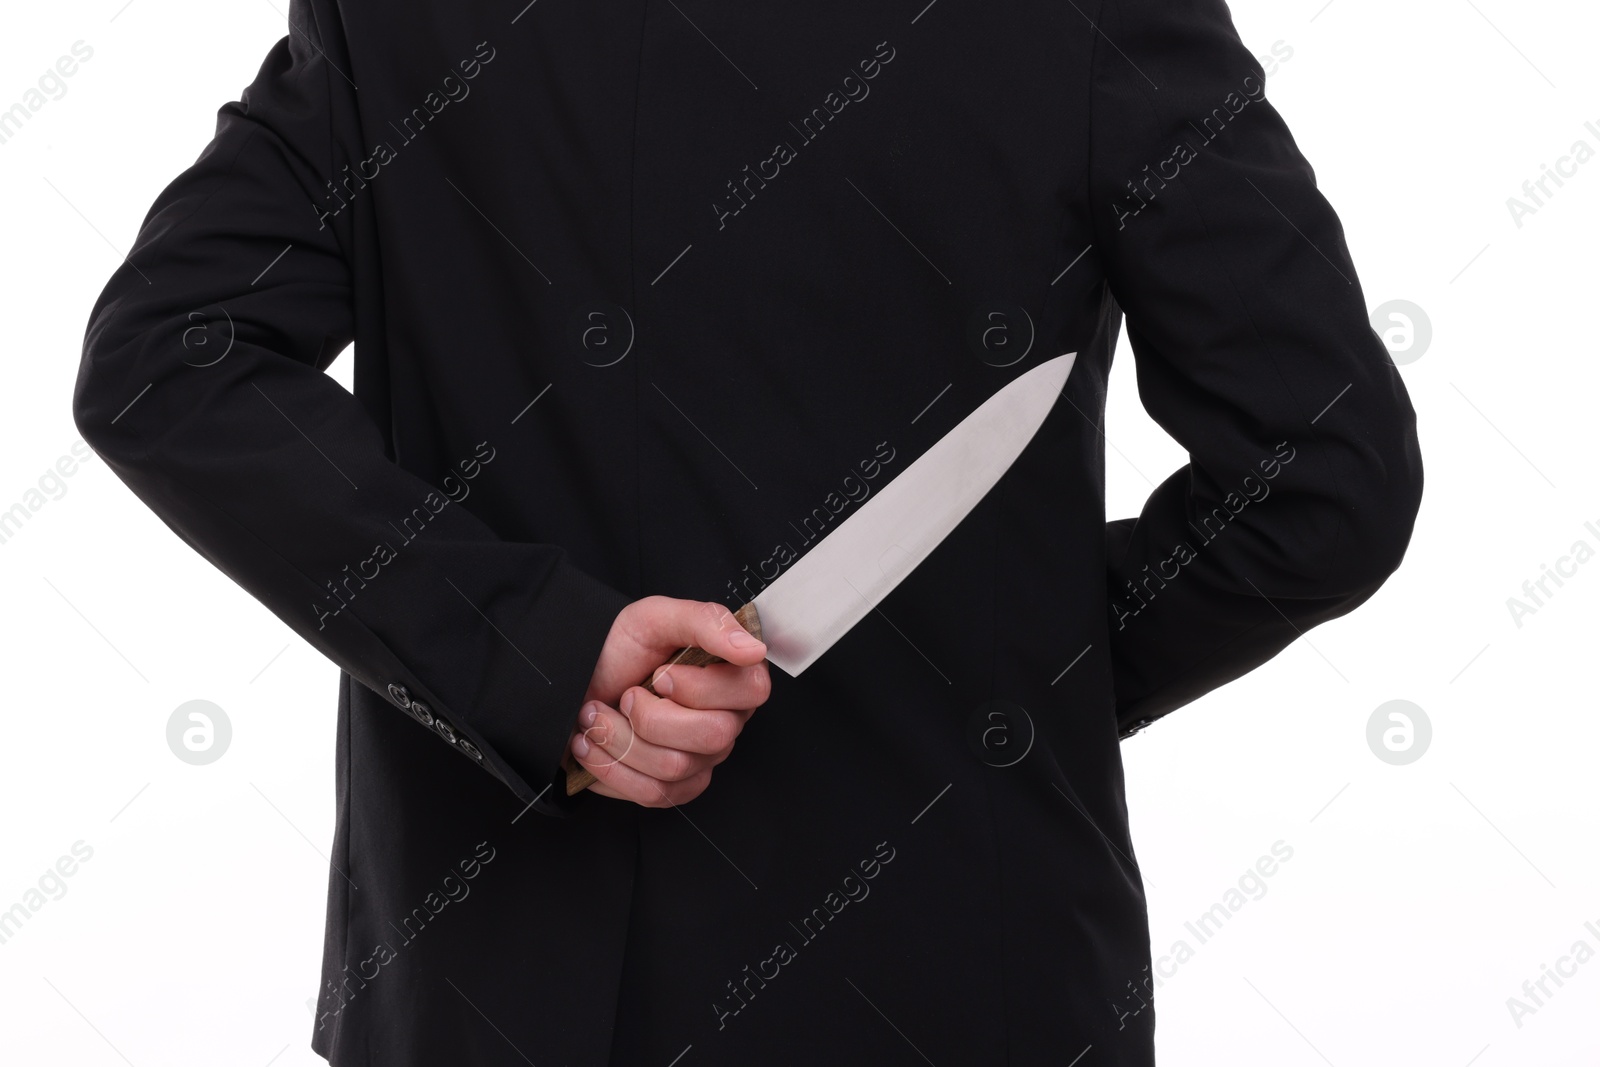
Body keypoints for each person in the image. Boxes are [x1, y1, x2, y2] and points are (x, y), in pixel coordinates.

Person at [71, 0, 1423, 1063]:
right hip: (963, 991)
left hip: (493, 1007)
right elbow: (1325, 477)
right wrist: (1003, 678)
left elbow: (170, 362)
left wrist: (535, 654)